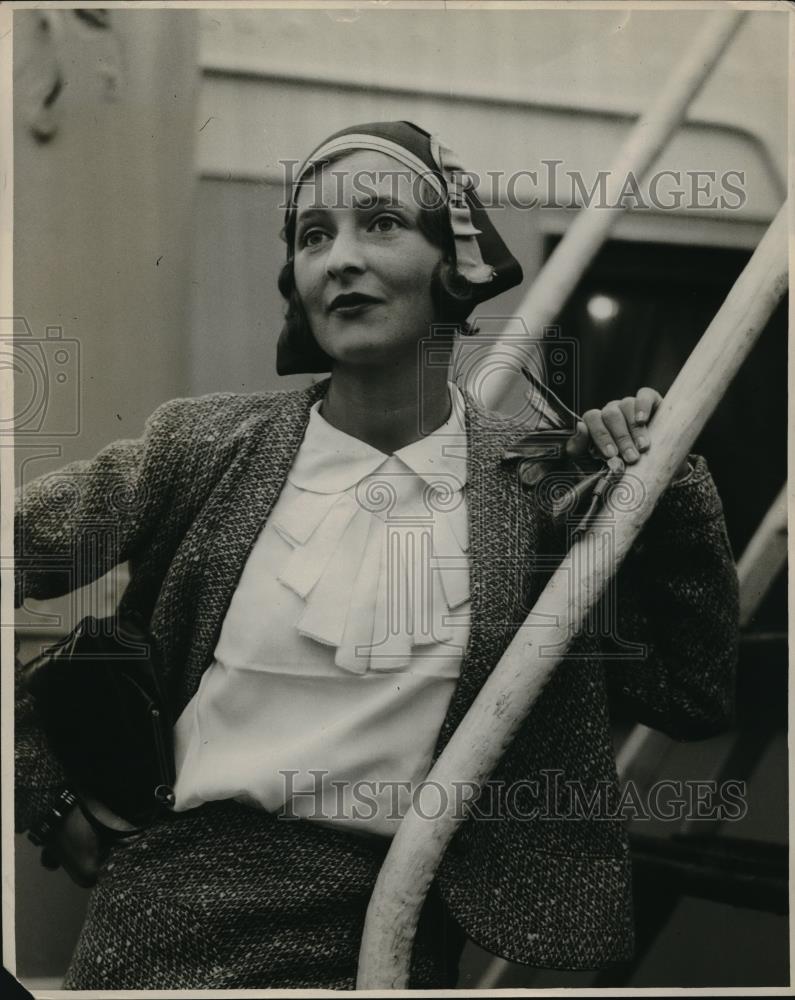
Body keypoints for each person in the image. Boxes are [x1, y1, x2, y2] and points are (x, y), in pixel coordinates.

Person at [14, 121, 739, 989]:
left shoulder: (541, 487)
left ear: (455, 263)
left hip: (391, 939)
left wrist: (669, 477)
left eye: (381, 223)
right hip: (161, 925)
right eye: (313, 236)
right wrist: (40, 782)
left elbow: (691, 693)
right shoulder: (203, 446)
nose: (340, 259)